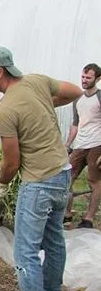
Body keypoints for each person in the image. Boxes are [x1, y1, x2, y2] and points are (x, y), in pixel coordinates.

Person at [0, 46, 82, 291]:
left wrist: (0, 185)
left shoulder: (6, 109)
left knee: (25, 254)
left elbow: (12, 162)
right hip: (62, 173)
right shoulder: (36, 81)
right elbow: (75, 91)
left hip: (39, 183)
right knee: (54, 239)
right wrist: (43, 105)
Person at [63, 64, 101, 229]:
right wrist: (68, 144)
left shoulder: (100, 97)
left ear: (97, 79)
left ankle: (88, 218)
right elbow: (76, 123)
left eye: (88, 78)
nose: (84, 80)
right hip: (80, 145)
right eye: (83, 77)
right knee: (67, 179)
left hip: (97, 145)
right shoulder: (78, 99)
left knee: (94, 181)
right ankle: (67, 214)